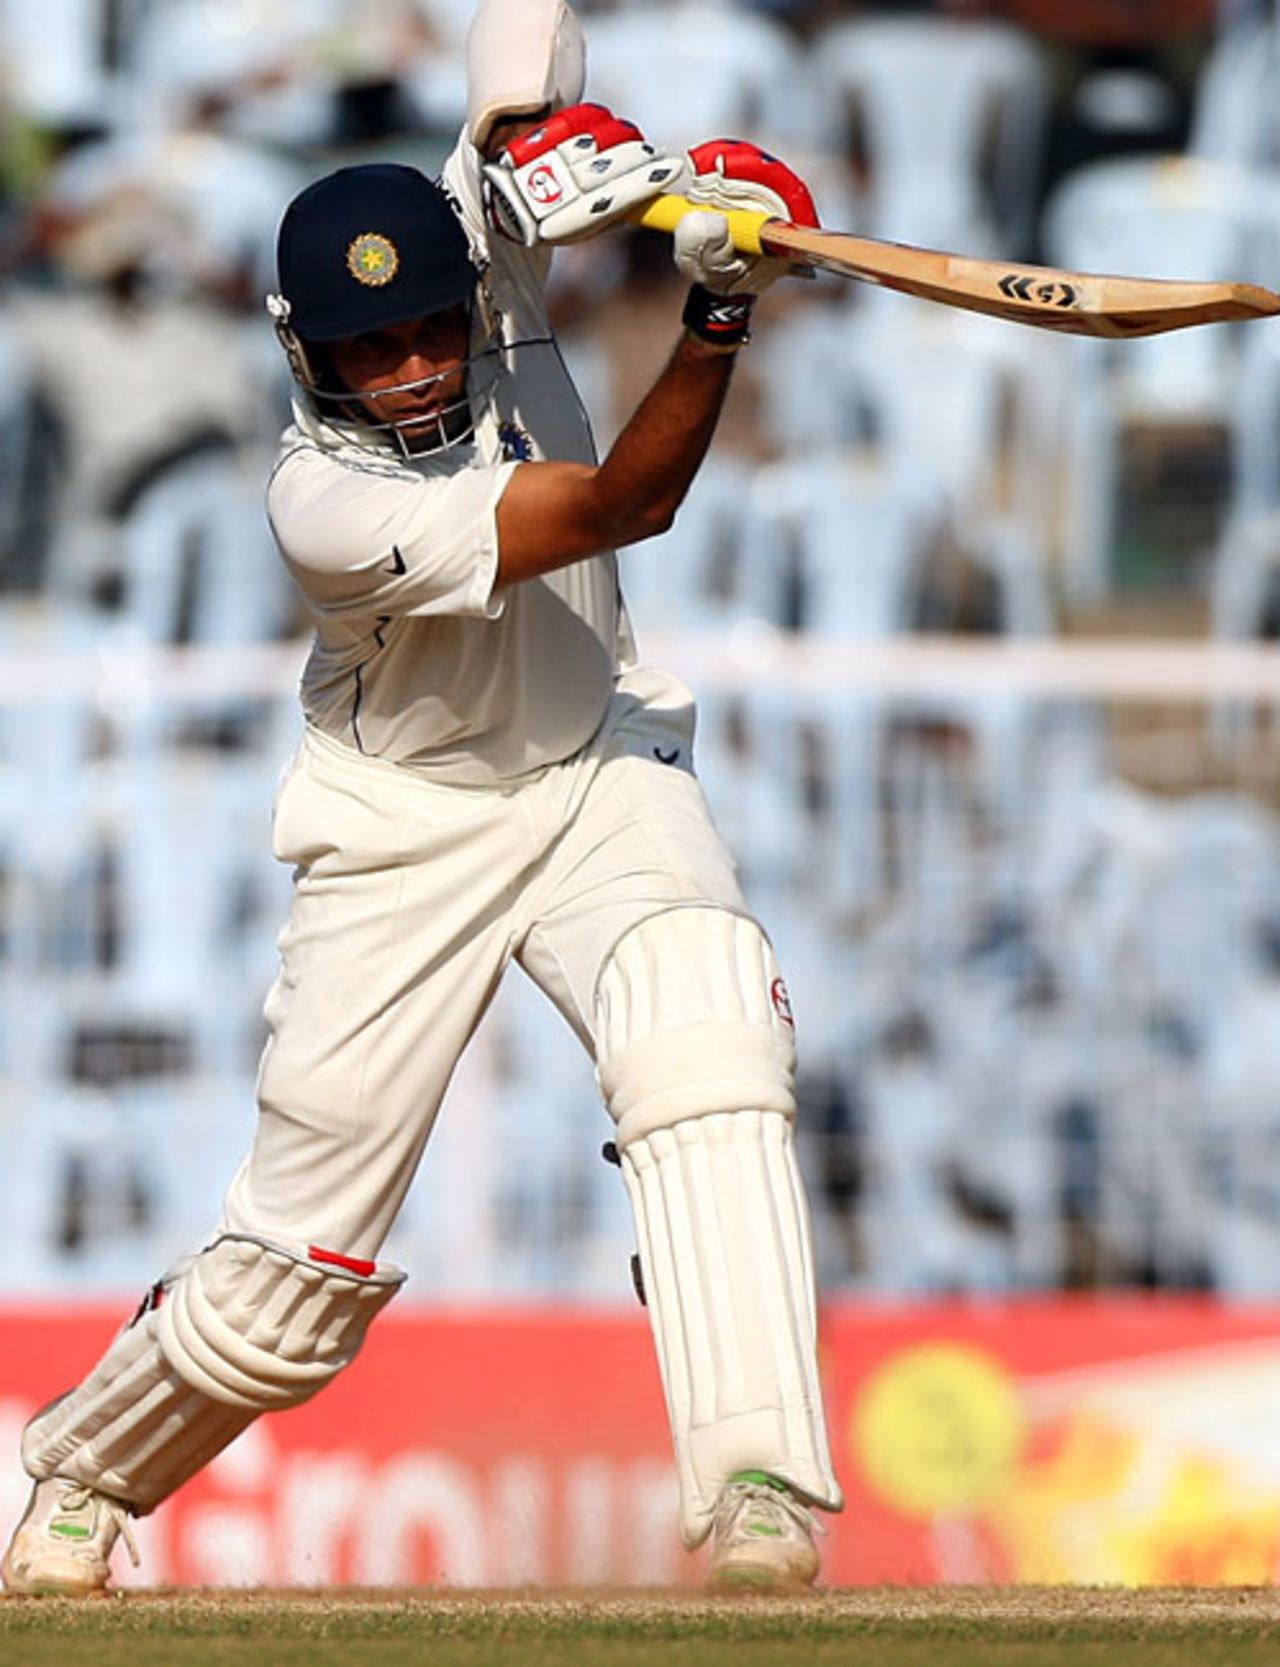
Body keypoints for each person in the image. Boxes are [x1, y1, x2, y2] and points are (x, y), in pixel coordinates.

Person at [1, 0, 844, 1597]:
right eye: (362, 350)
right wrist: (717, 312)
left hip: (597, 769)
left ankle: (756, 1489)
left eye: (431, 333)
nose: (407, 371)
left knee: (705, 1023)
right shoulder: (323, 501)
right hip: (405, 833)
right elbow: (622, 506)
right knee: (292, 1284)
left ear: (468, 298)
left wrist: (574, 151)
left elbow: (520, 52)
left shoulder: (486, 262)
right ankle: (80, 1483)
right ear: (300, 352)